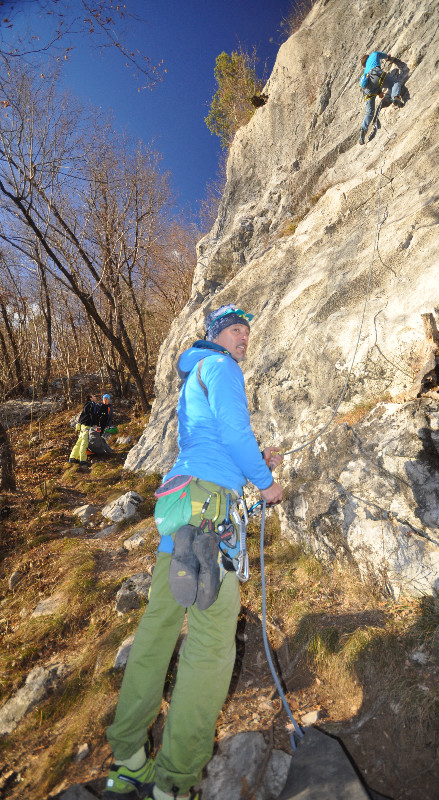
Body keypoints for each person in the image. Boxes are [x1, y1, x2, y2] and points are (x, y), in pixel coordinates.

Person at [103, 304, 283, 800]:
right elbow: (233, 433)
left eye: (247, 332)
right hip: (211, 514)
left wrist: (254, 463)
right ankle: (176, 782)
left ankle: (128, 757)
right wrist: (266, 482)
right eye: (235, 329)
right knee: (210, 644)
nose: (244, 338)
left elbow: (213, 443)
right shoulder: (222, 367)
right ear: (216, 335)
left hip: (179, 507)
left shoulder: (195, 375)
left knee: (158, 628)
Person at [358, 50, 402, 145]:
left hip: (367, 90)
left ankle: (363, 130)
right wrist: (387, 57)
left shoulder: (365, 71)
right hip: (376, 75)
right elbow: (382, 55)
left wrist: (379, 93)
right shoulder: (373, 55)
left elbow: (372, 84)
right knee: (395, 83)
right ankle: (395, 97)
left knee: (369, 113)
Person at [68, 394, 97, 466]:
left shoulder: (86, 405)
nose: (95, 397)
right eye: (93, 396)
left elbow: (82, 416)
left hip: (82, 426)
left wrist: (79, 424)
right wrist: (95, 424)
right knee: (84, 443)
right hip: (86, 426)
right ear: (91, 398)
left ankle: (72, 457)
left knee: (79, 442)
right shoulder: (91, 404)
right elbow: (92, 414)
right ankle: (83, 460)